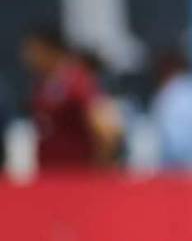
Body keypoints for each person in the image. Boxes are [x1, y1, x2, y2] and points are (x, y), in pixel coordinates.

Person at [20, 26, 122, 170]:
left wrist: (100, 172)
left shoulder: (77, 82)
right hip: (52, 175)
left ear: (50, 50)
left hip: (77, 177)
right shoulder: (43, 84)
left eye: (33, 51)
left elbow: (107, 132)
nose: (28, 57)